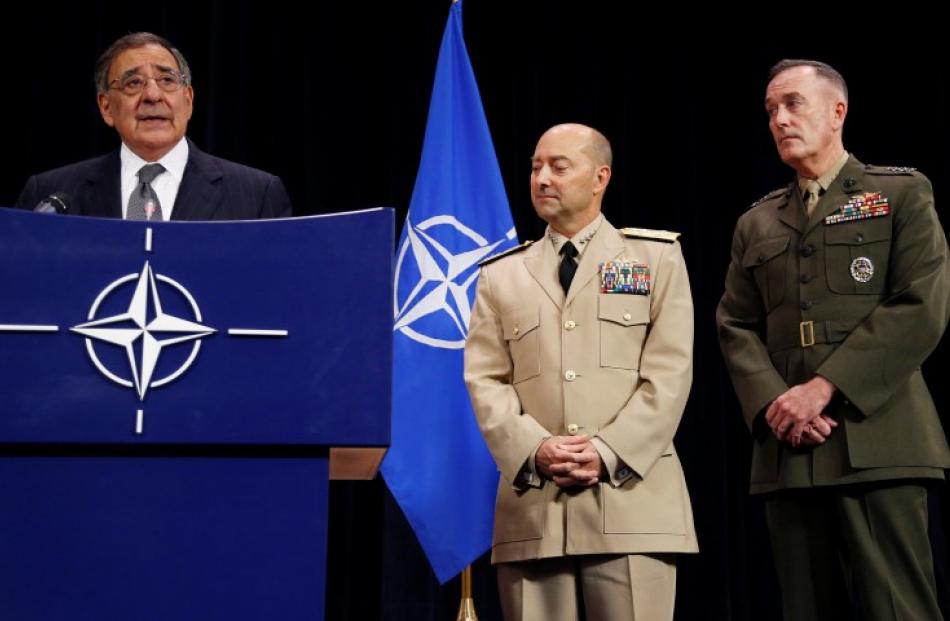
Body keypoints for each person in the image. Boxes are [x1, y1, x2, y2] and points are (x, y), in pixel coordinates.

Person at [717, 59, 950, 620]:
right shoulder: (757, 223)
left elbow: (920, 306)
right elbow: (735, 324)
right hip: (789, 451)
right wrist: (777, 402)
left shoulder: (899, 193)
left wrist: (823, 388)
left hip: (880, 442)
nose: (779, 119)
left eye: (793, 103)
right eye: (771, 109)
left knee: (897, 609)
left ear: (837, 111)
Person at [464, 123, 697, 621]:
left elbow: (670, 372)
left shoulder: (655, 258)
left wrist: (607, 452)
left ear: (600, 177)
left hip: (632, 503)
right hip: (534, 509)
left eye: (559, 166)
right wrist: (534, 447)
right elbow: (486, 380)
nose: (542, 178)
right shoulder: (500, 273)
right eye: (535, 167)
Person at [15, 32, 291, 220]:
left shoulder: (257, 195)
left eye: (167, 80)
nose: (152, 95)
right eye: (133, 83)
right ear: (106, 107)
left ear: (189, 99)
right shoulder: (49, 197)